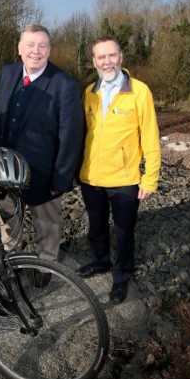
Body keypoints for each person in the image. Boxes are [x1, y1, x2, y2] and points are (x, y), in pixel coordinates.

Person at [0, 24, 83, 286]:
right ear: (20, 48)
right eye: (30, 45)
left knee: (48, 223)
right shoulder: (7, 73)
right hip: (6, 170)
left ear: (50, 50)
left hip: (44, 173)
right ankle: (11, 263)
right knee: (9, 221)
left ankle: (47, 263)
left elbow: (71, 136)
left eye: (42, 45)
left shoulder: (64, 84)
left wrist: (61, 179)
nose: (36, 51)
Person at [76, 36, 161, 304]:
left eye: (111, 55)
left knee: (124, 232)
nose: (107, 61)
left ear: (121, 57)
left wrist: (151, 178)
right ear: (94, 62)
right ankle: (101, 261)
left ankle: (122, 276)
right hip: (91, 177)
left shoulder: (139, 91)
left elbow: (150, 136)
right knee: (96, 227)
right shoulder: (89, 92)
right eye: (101, 57)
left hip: (125, 179)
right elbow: (82, 135)